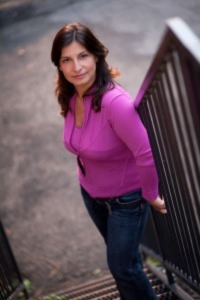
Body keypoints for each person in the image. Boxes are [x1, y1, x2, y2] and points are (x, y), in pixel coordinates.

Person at [51, 22, 167, 300]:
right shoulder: (71, 94)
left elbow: (145, 152)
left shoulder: (116, 102)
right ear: (59, 65)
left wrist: (150, 195)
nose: (76, 67)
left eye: (83, 56)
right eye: (67, 59)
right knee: (125, 263)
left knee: (123, 268)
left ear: (97, 56)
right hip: (91, 194)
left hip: (126, 201)